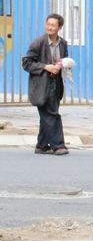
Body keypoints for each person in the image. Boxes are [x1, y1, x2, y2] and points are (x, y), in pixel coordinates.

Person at [22, 13, 69, 155]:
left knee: (47, 114)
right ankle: (58, 145)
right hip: (41, 85)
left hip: (56, 84)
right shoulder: (38, 43)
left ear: (59, 27)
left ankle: (42, 145)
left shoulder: (63, 43)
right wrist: (45, 67)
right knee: (52, 115)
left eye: (53, 25)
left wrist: (61, 66)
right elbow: (26, 63)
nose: (49, 27)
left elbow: (64, 59)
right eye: (48, 24)